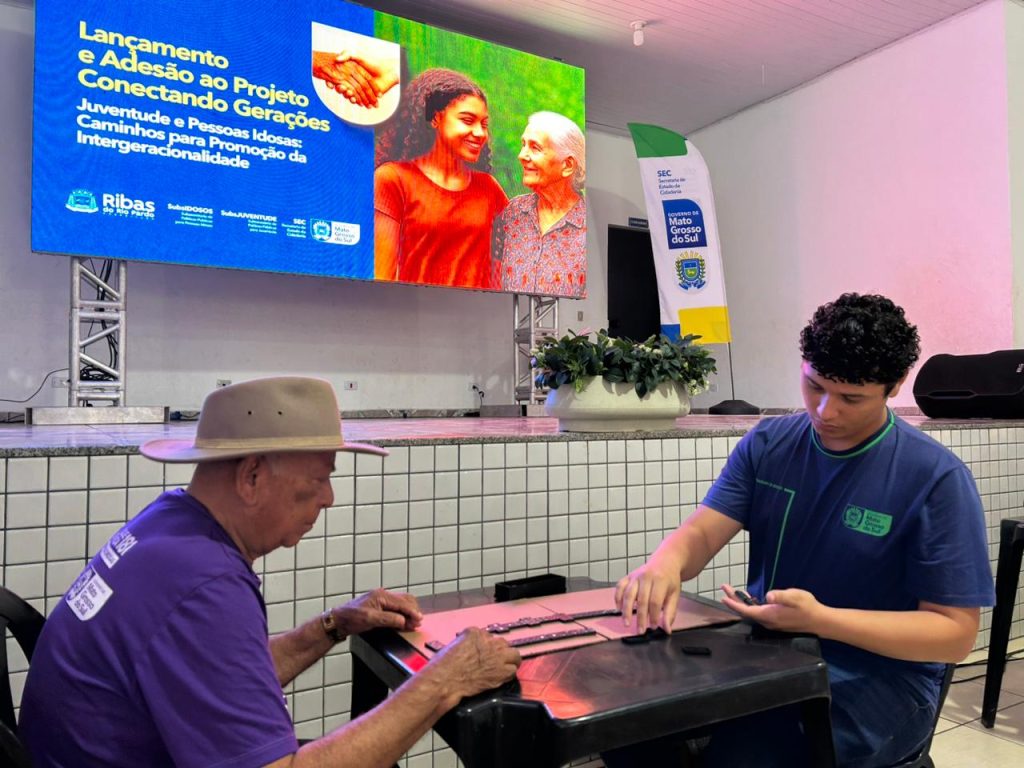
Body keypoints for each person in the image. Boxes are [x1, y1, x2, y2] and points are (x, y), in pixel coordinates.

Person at [19, 377, 521, 768]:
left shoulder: (170, 525)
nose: (328, 497)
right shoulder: (204, 584)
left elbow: (217, 677)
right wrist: (444, 681)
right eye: (319, 479)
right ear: (252, 476)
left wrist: (332, 626)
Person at [610, 294, 994, 768]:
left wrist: (820, 620)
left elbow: (954, 635)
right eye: (815, 386)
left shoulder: (935, 478)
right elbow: (703, 533)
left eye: (852, 398)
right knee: (629, 725)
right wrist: (664, 564)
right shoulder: (770, 444)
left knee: (743, 755)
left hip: (883, 680)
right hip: (770, 653)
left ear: (894, 386)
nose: (826, 411)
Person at [374, 68, 508, 289]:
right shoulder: (392, 179)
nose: (480, 133)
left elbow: (510, 262)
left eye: (484, 124)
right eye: (467, 120)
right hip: (413, 313)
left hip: (480, 316)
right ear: (436, 118)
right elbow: (381, 277)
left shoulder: (488, 188)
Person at [492, 111, 587, 297]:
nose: (521, 155)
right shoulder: (513, 212)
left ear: (567, 166)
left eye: (535, 148)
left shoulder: (587, 225)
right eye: (523, 145)